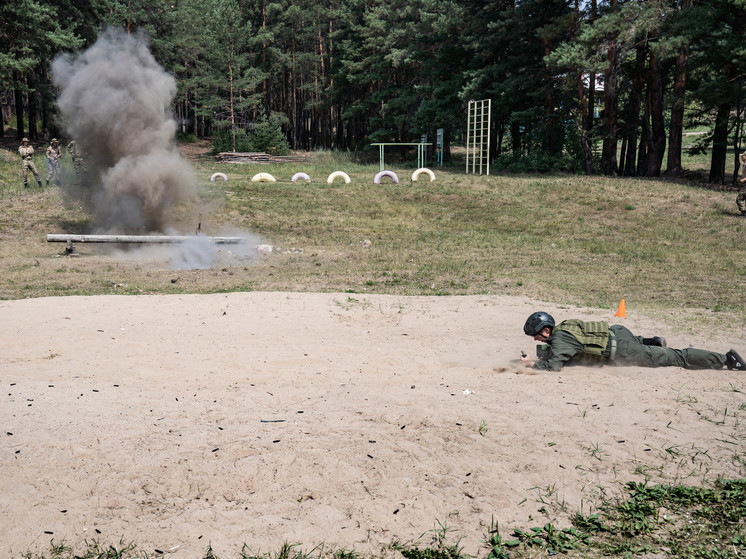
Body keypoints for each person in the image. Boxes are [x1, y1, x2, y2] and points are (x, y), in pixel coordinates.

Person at [520, 311, 744, 372]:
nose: (536, 339)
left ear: (546, 331)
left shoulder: (560, 338)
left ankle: (726, 359)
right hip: (619, 333)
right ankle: (652, 341)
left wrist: (532, 364)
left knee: (677, 357)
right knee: (642, 345)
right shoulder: (564, 327)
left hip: (624, 350)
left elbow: (554, 366)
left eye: (536, 335)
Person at [737, 151, 746, 217]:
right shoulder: (744, 165)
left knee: (739, 199)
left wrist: (744, 179)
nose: (741, 157)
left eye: (743, 155)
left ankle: (744, 213)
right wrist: (741, 178)